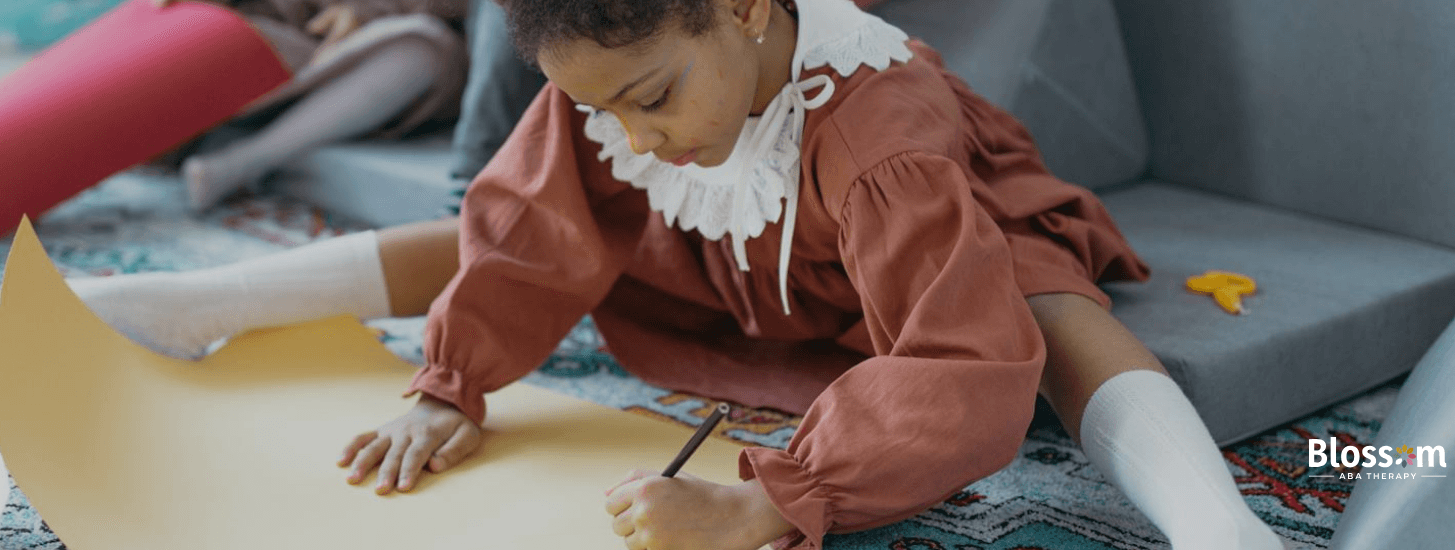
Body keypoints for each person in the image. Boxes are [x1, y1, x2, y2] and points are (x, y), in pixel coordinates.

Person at [71, 0, 1292, 547]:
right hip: (739, 255)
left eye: (651, 97)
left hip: (911, 238)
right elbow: (522, 225)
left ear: (745, 10)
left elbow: (959, 363)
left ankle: (1216, 525)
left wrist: (780, 492)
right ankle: (205, 304)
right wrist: (451, 382)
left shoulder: (883, 144)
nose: (635, 134)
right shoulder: (623, 105)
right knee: (542, 234)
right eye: (603, 109)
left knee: (1033, 309)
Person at [154, 0, 469, 209]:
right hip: (279, 38)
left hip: (373, 44)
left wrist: (361, 10)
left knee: (424, 49)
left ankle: (241, 163)